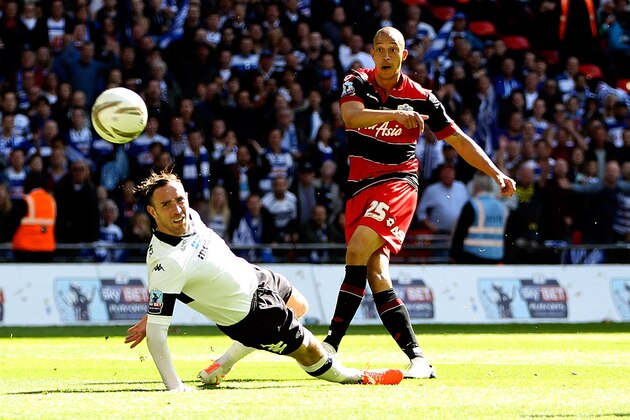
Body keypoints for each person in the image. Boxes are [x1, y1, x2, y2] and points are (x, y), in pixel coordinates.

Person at [322, 27, 516, 378]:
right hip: (359, 187)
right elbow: (351, 117)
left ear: (403, 55)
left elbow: (457, 139)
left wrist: (496, 173)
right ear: (371, 53)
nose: (384, 56)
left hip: (397, 183)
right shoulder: (356, 81)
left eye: (391, 49)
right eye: (378, 49)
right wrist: (395, 116)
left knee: (356, 250)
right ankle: (419, 359)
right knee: (376, 273)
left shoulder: (422, 96)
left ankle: (330, 346)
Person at [125, 169, 405, 391]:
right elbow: (158, 337)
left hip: (254, 276)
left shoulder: (190, 217)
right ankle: (356, 377)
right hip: (251, 315)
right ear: (153, 212)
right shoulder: (166, 262)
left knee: (300, 306)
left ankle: (221, 364)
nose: (177, 210)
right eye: (166, 205)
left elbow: (168, 293)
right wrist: (175, 387)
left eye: (179, 200)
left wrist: (152, 312)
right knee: (310, 350)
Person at [449, 173, 509, 264]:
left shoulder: (472, 205)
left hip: (472, 255)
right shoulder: (502, 207)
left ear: (476, 187)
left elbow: (460, 232)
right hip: (496, 255)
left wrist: (454, 254)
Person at [5, 172, 56, 262]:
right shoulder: (51, 201)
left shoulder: (26, 201)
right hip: (47, 250)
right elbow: (44, 226)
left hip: (25, 250)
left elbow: (11, 223)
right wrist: (41, 235)